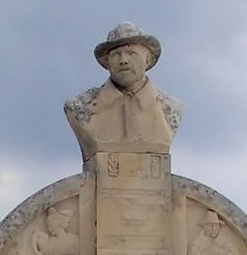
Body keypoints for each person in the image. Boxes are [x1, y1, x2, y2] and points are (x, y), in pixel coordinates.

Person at [64, 22, 183, 162]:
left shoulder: (170, 108)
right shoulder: (80, 107)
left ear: (148, 59)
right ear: (107, 62)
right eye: (116, 54)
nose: (123, 61)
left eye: (131, 53)